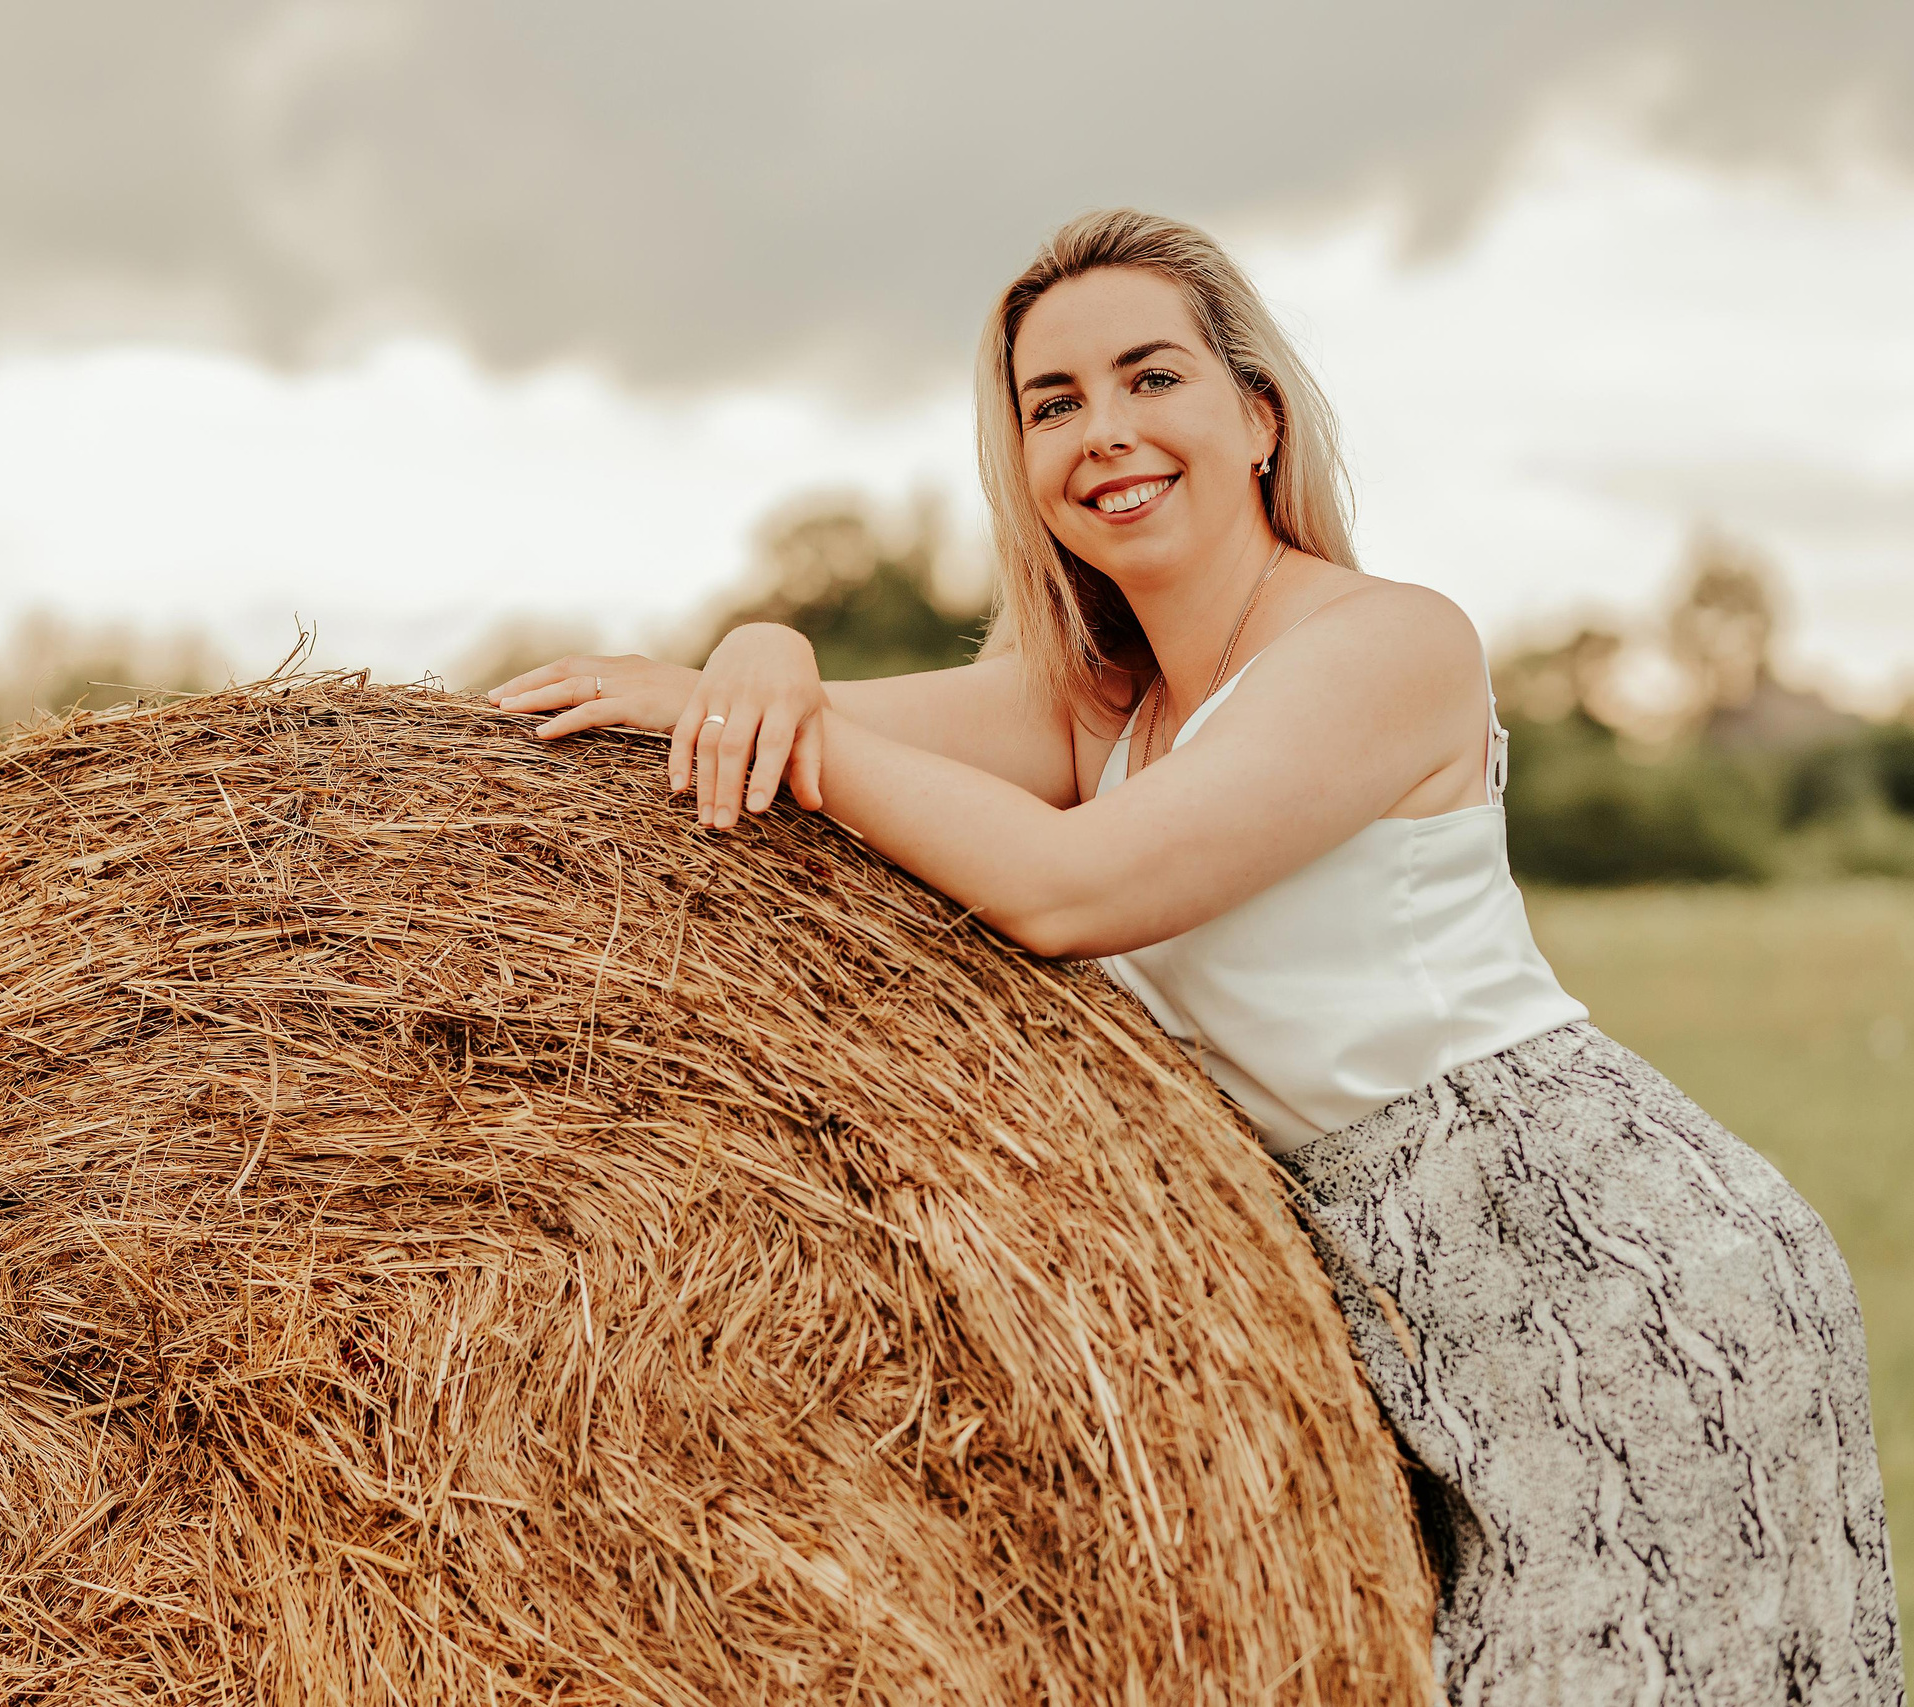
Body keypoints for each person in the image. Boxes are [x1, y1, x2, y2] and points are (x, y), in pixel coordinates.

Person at [486, 208, 1901, 1704]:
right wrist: (759, 650)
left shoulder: (1391, 646)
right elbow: (793, 723)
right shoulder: (1096, 708)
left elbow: (1069, 887)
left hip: (1595, 1256)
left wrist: (774, 700)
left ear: (1260, 418)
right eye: (1054, 404)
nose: (1107, 431)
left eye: (1153, 377)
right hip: (1374, 1305)